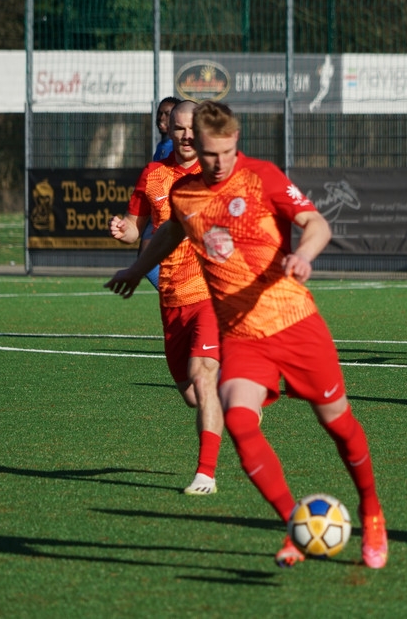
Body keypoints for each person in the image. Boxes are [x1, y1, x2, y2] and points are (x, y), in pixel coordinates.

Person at [105, 100, 388, 569]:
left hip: (294, 323)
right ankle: (295, 525)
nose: (218, 163)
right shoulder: (185, 191)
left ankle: (372, 513)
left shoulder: (262, 176)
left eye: (225, 152)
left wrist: (304, 256)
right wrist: (137, 269)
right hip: (241, 336)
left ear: (235, 141)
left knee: (338, 424)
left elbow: (316, 223)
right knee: (238, 422)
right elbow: (171, 231)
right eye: (209, 154)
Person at [108, 100, 223, 496]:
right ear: (168, 130)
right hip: (171, 298)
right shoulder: (154, 175)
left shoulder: (216, 173)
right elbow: (136, 228)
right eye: (179, 129)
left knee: (202, 375)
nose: (187, 136)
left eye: (193, 128)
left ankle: (205, 475)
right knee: (193, 395)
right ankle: (234, 397)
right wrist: (123, 229)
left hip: (209, 294)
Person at [140, 96, 183, 290]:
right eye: (160, 113)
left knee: (147, 258)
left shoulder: (176, 146)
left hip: (168, 208)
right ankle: (176, 294)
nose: (161, 118)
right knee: (146, 259)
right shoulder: (162, 146)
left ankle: (177, 294)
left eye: (167, 114)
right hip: (158, 206)